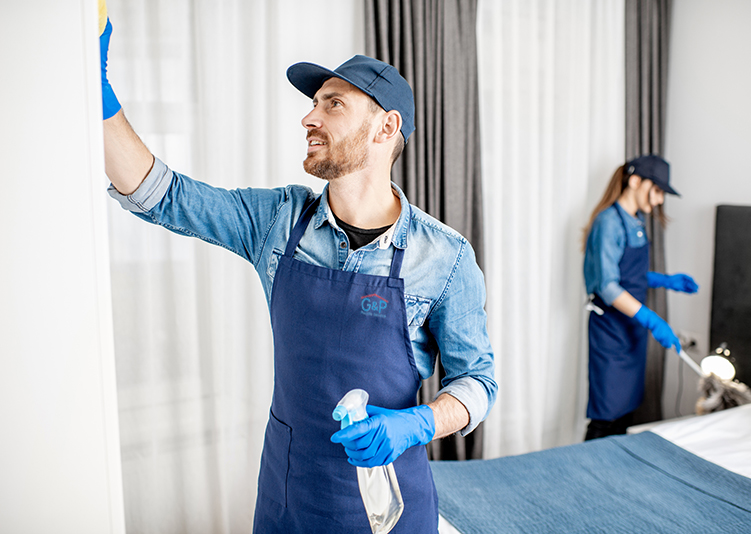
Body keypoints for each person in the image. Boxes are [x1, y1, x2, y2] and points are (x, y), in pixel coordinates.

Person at [99, 17, 496, 534]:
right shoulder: (278, 221)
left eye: (333, 103)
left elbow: (477, 383)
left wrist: (419, 423)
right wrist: (98, 93)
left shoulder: (443, 256)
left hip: (390, 506)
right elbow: (163, 195)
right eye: (313, 103)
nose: (309, 117)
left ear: (386, 127)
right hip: (290, 499)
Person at [581, 155, 697, 441]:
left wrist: (665, 281)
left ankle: (614, 476)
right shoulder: (608, 222)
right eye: (657, 190)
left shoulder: (637, 220)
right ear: (635, 181)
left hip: (631, 330)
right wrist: (651, 317)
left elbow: (629, 276)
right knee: (606, 415)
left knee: (625, 411)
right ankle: (584, 472)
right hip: (611, 330)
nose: (659, 200)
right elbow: (608, 286)